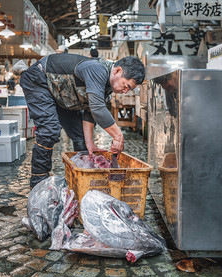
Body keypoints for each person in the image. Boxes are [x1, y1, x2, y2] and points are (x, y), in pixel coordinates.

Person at [13, 54, 145, 188]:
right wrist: (118, 135)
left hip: (60, 96)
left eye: (130, 89)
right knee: (49, 131)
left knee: (81, 140)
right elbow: (97, 108)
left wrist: (90, 143)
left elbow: (89, 111)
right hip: (39, 80)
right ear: (117, 71)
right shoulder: (97, 69)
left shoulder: (107, 87)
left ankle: (83, 183)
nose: (125, 91)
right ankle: (38, 182)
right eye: (126, 85)